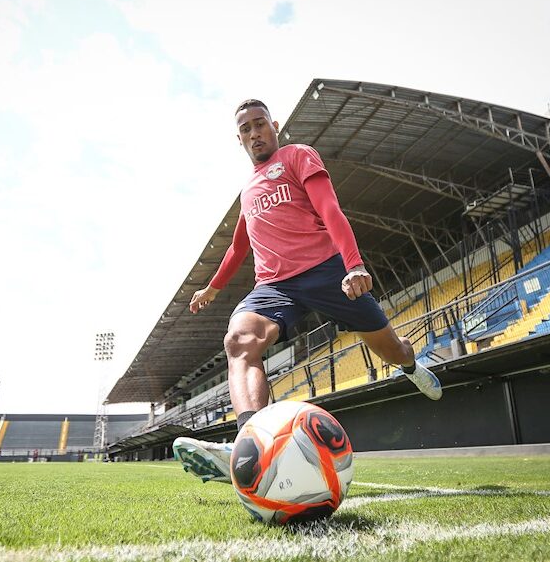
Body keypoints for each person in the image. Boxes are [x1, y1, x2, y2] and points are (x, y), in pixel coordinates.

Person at [173, 99, 442, 483]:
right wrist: (213, 289)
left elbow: (330, 208)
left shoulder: (299, 156)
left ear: (274, 125)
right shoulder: (247, 191)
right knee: (238, 340)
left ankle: (412, 366)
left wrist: (354, 265)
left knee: (392, 350)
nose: (254, 133)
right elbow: (238, 247)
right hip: (274, 286)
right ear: (239, 139)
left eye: (259, 124)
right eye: (246, 129)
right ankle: (249, 444)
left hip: (326, 272)